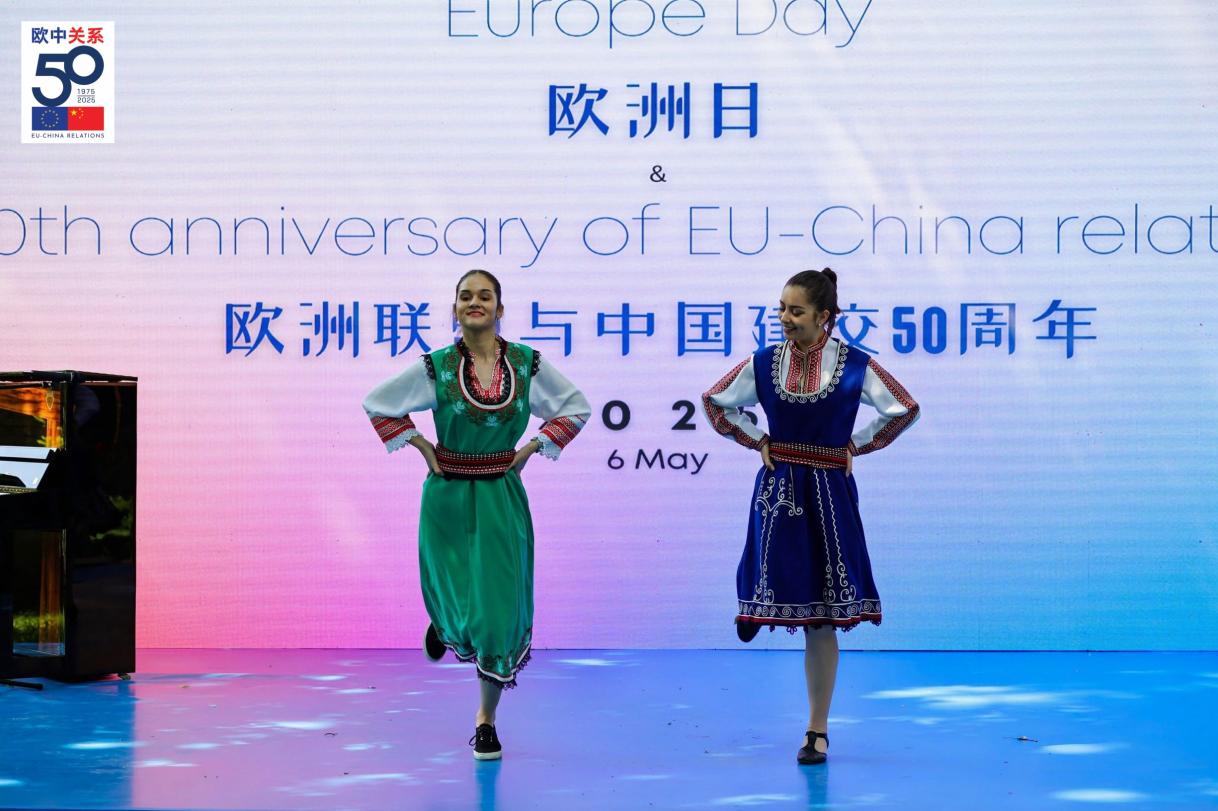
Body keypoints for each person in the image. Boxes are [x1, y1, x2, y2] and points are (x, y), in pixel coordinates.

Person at [363, 269, 590, 761]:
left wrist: (531, 447)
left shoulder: (526, 364)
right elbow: (378, 404)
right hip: (446, 495)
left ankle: (485, 719)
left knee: (496, 612)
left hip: (500, 496)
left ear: (499, 308)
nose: (475, 303)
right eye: (465, 296)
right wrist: (421, 443)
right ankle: (446, 625)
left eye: (485, 296)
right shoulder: (438, 367)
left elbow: (575, 408)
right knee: (452, 589)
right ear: (455, 309)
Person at [701, 268, 919, 765]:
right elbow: (714, 403)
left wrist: (855, 445)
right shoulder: (763, 363)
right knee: (782, 586)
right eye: (781, 308)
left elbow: (904, 408)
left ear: (825, 316)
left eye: (795, 311)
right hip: (779, 490)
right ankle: (759, 610)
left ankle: (817, 729)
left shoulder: (855, 365)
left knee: (822, 618)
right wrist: (757, 439)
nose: (785, 318)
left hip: (829, 493)